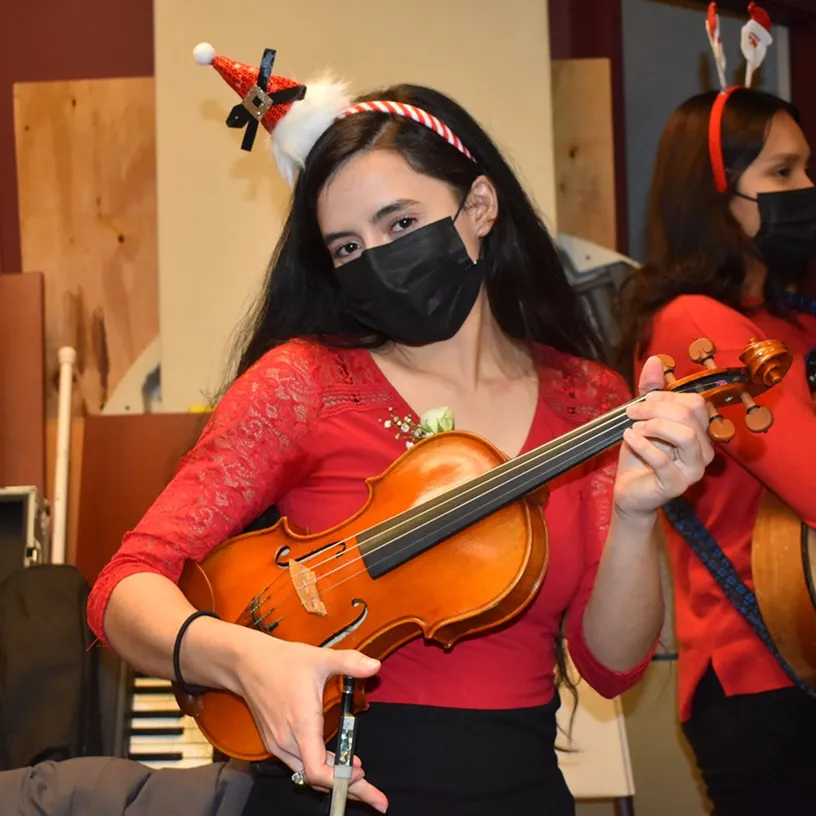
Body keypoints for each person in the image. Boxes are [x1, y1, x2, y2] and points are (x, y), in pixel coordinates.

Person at [86, 44, 714, 816]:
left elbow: (612, 667)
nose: (377, 259)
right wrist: (242, 657)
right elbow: (124, 589)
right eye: (348, 247)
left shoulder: (589, 399)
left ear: (479, 208)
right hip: (330, 790)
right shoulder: (303, 384)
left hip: (519, 793)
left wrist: (635, 516)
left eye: (401, 222)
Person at [617, 85, 816, 816]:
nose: (807, 190)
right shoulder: (693, 324)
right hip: (764, 679)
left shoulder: (788, 319)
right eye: (784, 173)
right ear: (716, 195)